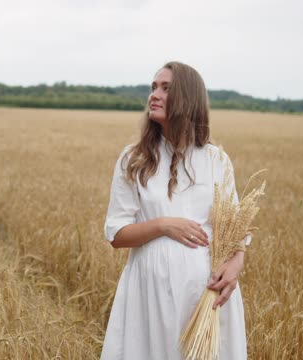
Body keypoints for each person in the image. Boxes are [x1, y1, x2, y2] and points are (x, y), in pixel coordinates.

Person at [101, 61, 250, 360]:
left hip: (205, 299)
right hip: (150, 297)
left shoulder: (216, 160)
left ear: (188, 97)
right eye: (153, 87)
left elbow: (237, 230)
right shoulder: (134, 159)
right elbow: (116, 234)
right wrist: (164, 225)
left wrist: (236, 265)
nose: (154, 95)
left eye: (166, 88)